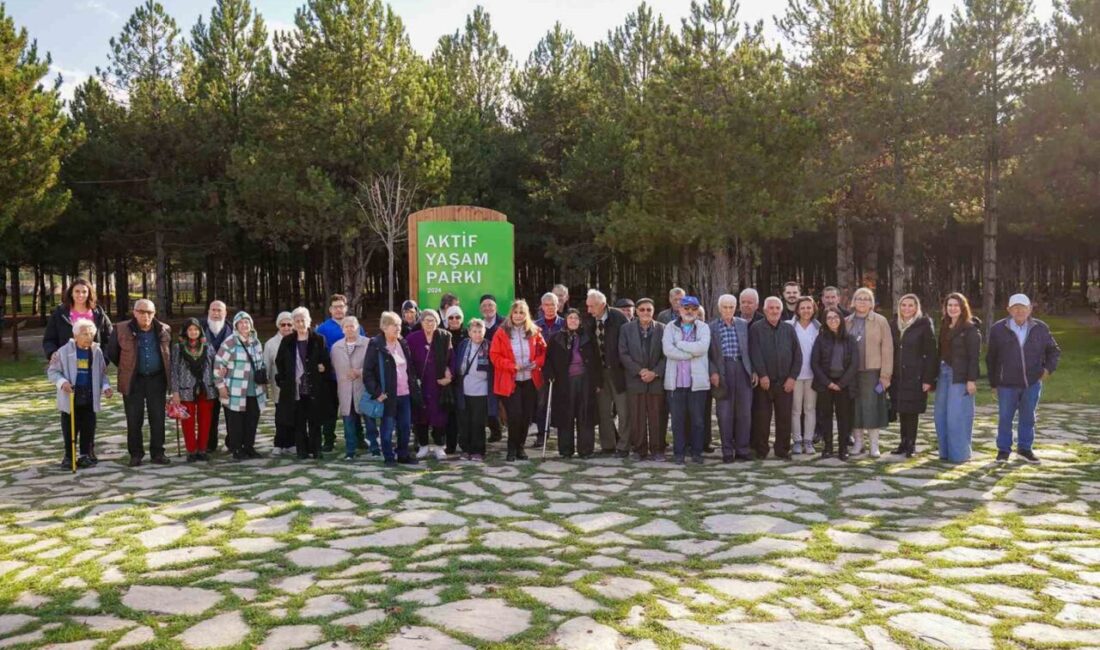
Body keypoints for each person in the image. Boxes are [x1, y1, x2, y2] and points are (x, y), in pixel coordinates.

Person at [987, 293, 1061, 464]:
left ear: (1030, 309)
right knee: (1005, 417)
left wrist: (1048, 370)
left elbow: (1054, 351)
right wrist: (993, 383)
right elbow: (991, 358)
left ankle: (1025, 449)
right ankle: (1003, 450)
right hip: (1006, 383)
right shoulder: (998, 329)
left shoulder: (1040, 328)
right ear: (1009, 310)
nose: (1019, 310)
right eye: (1015, 307)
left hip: (1032, 382)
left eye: (1023, 307)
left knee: (1028, 417)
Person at [108, 299, 172, 467]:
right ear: (134, 312)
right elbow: (113, 353)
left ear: (154, 313)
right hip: (133, 380)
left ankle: (158, 452)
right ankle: (136, 454)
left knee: (157, 418)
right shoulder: (121, 329)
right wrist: (129, 368)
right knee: (134, 419)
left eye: (150, 312)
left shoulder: (164, 329)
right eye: (142, 312)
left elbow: (168, 353)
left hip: (157, 379)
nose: (146, 316)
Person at [48, 319, 112, 469]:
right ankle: (69, 456)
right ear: (75, 335)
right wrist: (63, 382)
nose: (89, 337)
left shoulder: (97, 351)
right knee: (70, 427)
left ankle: (84, 455)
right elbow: (53, 372)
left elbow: (102, 373)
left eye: (91, 334)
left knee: (88, 426)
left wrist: (106, 386)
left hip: (89, 394)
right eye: (85, 334)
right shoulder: (63, 351)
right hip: (71, 395)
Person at [490, 299, 547, 461]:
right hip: (510, 381)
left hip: (530, 380)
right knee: (515, 415)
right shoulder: (501, 332)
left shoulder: (535, 331)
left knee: (526, 416)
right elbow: (494, 356)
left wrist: (537, 362)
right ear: (511, 314)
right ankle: (511, 448)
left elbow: (544, 352)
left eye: (522, 312)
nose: (518, 315)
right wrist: (512, 365)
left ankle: (521, 447)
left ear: (526, 315)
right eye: (515, 312)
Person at [276, 307, 334, 461]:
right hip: (296, 389)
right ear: (293, 323)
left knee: (315, 422)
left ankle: (316, 450)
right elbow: (279, 362)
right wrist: (284, 380)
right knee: (299, 423)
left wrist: (323, 367)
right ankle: (301, 451)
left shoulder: (318, 339)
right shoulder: (287, 341)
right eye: (297, 321)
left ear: (308, 321)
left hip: (314, 388)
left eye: (303, 320)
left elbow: (327, 361)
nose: (300, 323)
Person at [364, 312, 421, 466]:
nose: (398, 328)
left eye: (399, 325)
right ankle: (389, 457)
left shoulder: (403, 343)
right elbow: (368, 372)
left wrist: (414, 385)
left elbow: (410, 368)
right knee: (387, 428)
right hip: (387, 395)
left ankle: (403, 454)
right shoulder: (376, 345)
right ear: (384, 327)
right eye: (394, 325)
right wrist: (376, 392)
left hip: (405, 393)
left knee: (405, 426)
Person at [749, 297, 802, 460]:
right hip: (764, 383)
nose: (774, 311)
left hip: (785, 382)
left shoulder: (788, 329)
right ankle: (761, 450)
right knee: (762, 419)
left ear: (781, 310)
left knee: (784, 418)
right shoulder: (756, 328)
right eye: (770, 308)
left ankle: (782, 450)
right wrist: (763, 375)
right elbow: (754, 353)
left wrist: (792, 378)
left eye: (777, 308)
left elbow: (798, 355)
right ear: (765, 310)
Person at [544, 309, 601, 458]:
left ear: (580, 321)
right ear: (566, 320)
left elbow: (596, 360)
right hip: (564, 382)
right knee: (566, 415)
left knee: (585, 415)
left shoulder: (588, 337)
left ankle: (586, 449)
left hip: (585, 380)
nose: (573, 321)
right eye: (570, 318)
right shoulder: (556, 338)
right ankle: (565, 449)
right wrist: (549, 374)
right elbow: (548, 360)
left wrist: (598, 381)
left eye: (576, 318)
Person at [846, 287, 893, 458]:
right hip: (852, 373)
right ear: (853, 301)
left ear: (871, 303)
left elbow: (888, 349)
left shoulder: (880, 321)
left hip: (873, 372)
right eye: (859, 298)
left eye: (866, 299)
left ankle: (874, 444)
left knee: (872, 408)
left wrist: (885, 375)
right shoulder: (846, 322)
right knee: (855, 408)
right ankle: (858, 443)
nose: (862, 301)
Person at [662, 296, 710, 464]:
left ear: (697, 310)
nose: (689, 311)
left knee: (697, 420)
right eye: (686, 308)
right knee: (677, 421)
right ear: (679, 309)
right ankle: (679, 453)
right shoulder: (669, 327)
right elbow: (668, 350)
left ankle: (697, 453)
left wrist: (680, 344)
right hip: (675, 383)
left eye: (693, 308)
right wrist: (691, 352)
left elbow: (702, 348)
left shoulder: (704, 327)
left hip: (697, 383)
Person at [707, 294, 754, 463]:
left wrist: (753, 370)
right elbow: (707, 354)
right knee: (724, 412)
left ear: (736, 308)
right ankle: (727, 450)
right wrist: (713, 372)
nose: (728, 310)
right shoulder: (711, 327)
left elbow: (750, 349)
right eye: (725, 307)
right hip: (722, 370)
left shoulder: (743, 324)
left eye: (731, 307)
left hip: (742, 369)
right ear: (720, 309)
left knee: (744, 412)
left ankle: (742, 449)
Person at [933, 293, 980, 463]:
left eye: (956, 305)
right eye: (949, 305)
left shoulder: (970, 329)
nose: (952, 308)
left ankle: (960, 455)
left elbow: (974, 357)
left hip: (960, 376)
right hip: (943, 373)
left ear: (962, 308)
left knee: (956, 416)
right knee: (940, 415)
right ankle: (945, 453)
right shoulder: (945, 326)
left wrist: (971, 380)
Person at [214, 311, 267, 461]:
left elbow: (260, 363)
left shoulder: (255, 342)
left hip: (254, 389)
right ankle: (237, 449)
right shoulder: (230, 342)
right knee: (236, 421)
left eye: (247, 322)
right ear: (236, 325)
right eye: (241, 322)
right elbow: (218, 365)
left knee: (252, 419)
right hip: (235, 389)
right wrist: (221, 386)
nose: (245, 325)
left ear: (251, 325)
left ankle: (249, 447)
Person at [889, 294, 937, 458]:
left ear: (916, 308)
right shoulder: (894, 324)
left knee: (912, 411)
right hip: (898, 376)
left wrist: (928, 379)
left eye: (911, 305)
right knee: (902, 409)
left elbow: (931, 354)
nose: (907, 309)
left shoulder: (923, 325)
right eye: (904, 305)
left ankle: (911, 444)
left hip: (916, 375)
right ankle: (902, 442)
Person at [316, 294, 365, 453]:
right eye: (335, 307)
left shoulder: (356, 326)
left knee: (354, 408)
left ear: (346, 308)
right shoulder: (323, 328)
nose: (338, 309)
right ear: (330, 310)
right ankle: (329, 439)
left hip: (353, 377)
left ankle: (359, 438)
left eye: (341, 306)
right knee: (330, 410)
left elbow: (364, 348)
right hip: (331, 377)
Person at [619, 298, 667, 461]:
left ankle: (657, 450)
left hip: (656, 380)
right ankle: (639, 450)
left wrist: (654, 373)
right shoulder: (626, 329)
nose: (646, 312)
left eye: (649, 310)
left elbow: (666, 355)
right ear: (637, 312)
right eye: (642, 310)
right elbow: (623, 354)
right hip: (635, 379)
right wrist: (640, 371)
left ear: (653, 312)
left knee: (657, 417)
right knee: (637, 416)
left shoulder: (663, 329)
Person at [584, 289, 630, 456]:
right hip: (599, 372)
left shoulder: (618, 318)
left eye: (592, 306)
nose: (589, 310)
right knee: (604, 412)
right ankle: (608, 445)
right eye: (587, 306)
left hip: (619, 372)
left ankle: (624, 446)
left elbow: (627, 343)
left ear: (603, 305)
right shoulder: (588, 319)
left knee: (624, 411)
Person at [810, 308, 858, 459]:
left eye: (836, 317)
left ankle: (843, 448)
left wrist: (841, 383)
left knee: (844, 417)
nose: (833, 320)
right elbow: (814, 363)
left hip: (844, 385)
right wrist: (828, 383)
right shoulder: (821, 338)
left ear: (841, 319)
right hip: (825, 384)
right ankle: (828, 447)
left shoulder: (850, 339)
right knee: (825, 417)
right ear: (825, 321)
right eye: (829, 318)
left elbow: (854, 364)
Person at [406, 309, 453, 460]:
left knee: (439, 416)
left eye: (432, 320)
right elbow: (407, 360)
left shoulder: (445, 336)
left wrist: (449, 373)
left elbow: (452, 359)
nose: (429, 323)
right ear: (421, 322)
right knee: (421, 416)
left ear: (437, 322)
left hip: (438, 383)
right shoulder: (412, 338)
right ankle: (424, 446)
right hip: (420, 383)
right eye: (426, 320)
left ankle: (440, 447)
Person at [169, 318, 218, 462]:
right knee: (187, 422)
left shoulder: (208, 347)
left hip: (206, 389)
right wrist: (175, 392)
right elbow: (174, 371)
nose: (193, 332)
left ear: (200, 331)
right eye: (190, 329)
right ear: (185, 331)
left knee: (205, 420)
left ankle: (202, 449)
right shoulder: (178, 348)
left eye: (196, 329)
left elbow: (215, 366)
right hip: (185, 390)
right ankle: (191, 450)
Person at [332, 316, 377, 460]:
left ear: (358, 327)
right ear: (342, 329)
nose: (350, 329)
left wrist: (360, 372)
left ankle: (375, 448)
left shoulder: (369, 344)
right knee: (348, 423)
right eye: (346, 326)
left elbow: (376, 367)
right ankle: (350, 451)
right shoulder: (336, 347)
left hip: (364, 389)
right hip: (345, 391)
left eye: (353, 326)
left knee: (370, 421)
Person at [43, 278, 114, 364]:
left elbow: (110, 338)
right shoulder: (59, 313)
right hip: (66, 363)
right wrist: (52, 353)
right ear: (71, 293)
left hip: (94, 363)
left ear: (89, 293)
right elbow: (49, 339)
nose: (80, 294)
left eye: (84, 292)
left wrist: (104, 359)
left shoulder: (98, 313)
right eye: (77, 291)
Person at [451, 318, 492, 461]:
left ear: (484, 331)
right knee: (464, 421)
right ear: (469, 332)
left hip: (481, 391)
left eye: (480, 331)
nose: (477, 334)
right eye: (474, 331)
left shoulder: (489, 346)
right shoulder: (463, 345)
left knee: (478, 422)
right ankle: (465, 449)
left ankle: (478, 451)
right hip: (464, 390)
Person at [533, 293, 565, 448]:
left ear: (558, 305)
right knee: (541, 403)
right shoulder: (535, 325)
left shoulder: (566, 324)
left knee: (561, 403)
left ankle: (562, 434)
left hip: (562, 370)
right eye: (546, 304)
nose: (550, 307)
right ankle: (541, 434)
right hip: (542, 370)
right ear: (541, 306)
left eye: (553, 304)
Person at [789, 296, 820, 455]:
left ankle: (808, 441)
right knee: (795, 409)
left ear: (813, 308)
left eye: (809, 307)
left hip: (812, 375)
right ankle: (797, 441)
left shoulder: (819, 327)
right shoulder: (789, 326)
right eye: (803, 308)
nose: (806, 310)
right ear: (798, 310)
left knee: (810, 408)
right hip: (795, 375)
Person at [201, 300, 231, 453]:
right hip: (206, 381)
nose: (216, 313)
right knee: (210, 414)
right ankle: (209, 444)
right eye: (213, 310)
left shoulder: (232, 329)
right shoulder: (199, 329)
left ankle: (232, 443)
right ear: (208, 312)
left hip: (229, 380)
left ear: (225, 313)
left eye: (219, 310)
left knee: (231, 414)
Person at [264, 312, 296, 455]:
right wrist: (265, 386)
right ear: (278, 325)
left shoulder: (298, 340)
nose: (286, 327)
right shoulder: (271, 343)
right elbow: (266, 365)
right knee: (280, 415)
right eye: (283, 324)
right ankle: (279, 443)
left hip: (296, 386)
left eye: (289, 324)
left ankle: (292, 443)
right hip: (279, 387)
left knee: (294, 415)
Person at [480, 294, 504, 442]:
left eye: (490, 305)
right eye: (484, 306)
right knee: (488, 400)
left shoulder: (504, 324)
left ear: (495, 307)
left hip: (502, 367)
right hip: (485, 368)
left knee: (504, 401)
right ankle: (495, 430)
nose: (487, 308)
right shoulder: (478, 325)